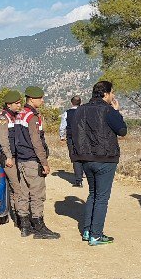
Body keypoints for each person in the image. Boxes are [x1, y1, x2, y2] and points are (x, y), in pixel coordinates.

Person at [72, 81, 127, 246]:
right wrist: (117, 112)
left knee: (93, 194)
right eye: (112, 93)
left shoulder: (80, 110)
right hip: (105, 159)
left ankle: (87, 230)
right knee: (102, 198)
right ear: (106, 94)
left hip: (86, 159)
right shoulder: (109, 110)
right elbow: (122, 131)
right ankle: (96, 235)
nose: (113, 96)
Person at [14, 86, 60, 239]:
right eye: (40, 98)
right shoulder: (32, 117)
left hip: (21, 159)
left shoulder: (20, 114)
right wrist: (44, 162)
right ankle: (39, 227)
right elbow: (36, 141)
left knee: (23, 193)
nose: (42, 100)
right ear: (32, 99)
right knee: (37, 194)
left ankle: (25, 226)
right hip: (32, 160)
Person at [0, 90, 23, 225]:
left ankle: (17, 216)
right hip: (7, 157)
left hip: (15, 155)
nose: (19, 105)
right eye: (16, 103)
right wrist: (9, 157)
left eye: (20, 102)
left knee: (15, 187)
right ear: (9, 104)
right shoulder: (3, 118)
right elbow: (3, 140)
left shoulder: (13, 116)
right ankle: (20, 217)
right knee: (17, 187)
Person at [59, 95, 84, 187]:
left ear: (71, 103)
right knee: (84, 155)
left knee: (75, 157)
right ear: (80, 103)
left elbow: (62, 126)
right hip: (84, 137)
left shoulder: (67, 113)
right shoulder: (84, 112)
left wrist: (62, 136)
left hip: (72, 137)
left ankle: (78, 180)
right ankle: (84, 174)